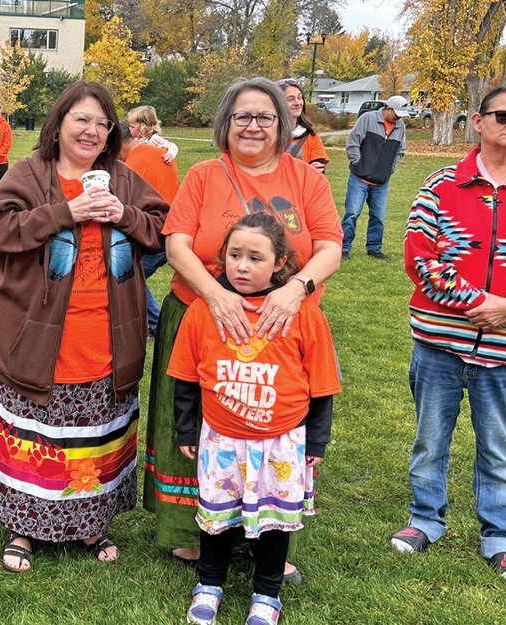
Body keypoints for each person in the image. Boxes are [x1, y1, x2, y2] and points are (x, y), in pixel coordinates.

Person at [145, 77, 342, 583]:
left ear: (284, 124)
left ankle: (267, 535)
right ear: (225, 124)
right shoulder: (205, 175)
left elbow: (329, 247)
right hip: (201, 318)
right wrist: (217, 296)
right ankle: (195, 534)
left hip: (281, 325)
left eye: (265, 117)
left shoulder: (307, 180)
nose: (253, 126)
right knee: (195, 431)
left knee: (272, 431)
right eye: (242, 117)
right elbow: (177, 246)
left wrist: (295, 288)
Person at [390, 83, 506, 590]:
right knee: (431, 439)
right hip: (440, 341)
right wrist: (475, 304)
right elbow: (419, 256)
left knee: (498, 445)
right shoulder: (440, 185)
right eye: (504, 115)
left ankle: (501, 538)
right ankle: (425, 519)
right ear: (478, 121)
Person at [0, 80, 168, 573]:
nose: (91, 131)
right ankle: (22, 524)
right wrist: (65, 212)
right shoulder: (29, 173)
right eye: (81, 119)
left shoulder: (123, 179)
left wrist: (124, 214)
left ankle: (90, 522)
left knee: (96, 430)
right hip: (36, 333)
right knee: (33, 432)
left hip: (106, 333)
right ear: (59, 123)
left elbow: (160, 231)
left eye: (102, 124)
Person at [174, 213, 340, 625]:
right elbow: (186, 378)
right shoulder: (202, 311)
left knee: (275, 526)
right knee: (216, 520)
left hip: (281, 442)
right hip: (221, 440)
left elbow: (321, 384)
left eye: (255, 257)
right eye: (234, 255)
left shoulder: (302, 314)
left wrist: (316, 440)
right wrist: (185, 426)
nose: (242, 266)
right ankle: (209, 584)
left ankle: (267, 594)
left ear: (280, 262)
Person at [120, 122, 179, 336]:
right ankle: (154, 324)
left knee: (126, 275)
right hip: (172, 229)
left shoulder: (131, 165)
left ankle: (156, 324)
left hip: (154, 235)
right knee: (132, 276)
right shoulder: (161, 152)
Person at [342, 94, 407, 260]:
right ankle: (343, 248)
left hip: (381, 181)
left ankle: (374, 249)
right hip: (359, 178)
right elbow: (353, 142)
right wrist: (357, 163)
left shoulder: (400, 127)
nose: (398, 118)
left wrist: (389, 169)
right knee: (352, 213)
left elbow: (401, 150)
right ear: (388, 109)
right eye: (396, 114)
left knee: (378, 217)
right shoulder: (368, 119)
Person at [278, 80, 328, 174]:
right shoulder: (268, 136)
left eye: (299, 98)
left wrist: (316, 170)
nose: (297, 103)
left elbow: (318, 171)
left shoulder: (312, 137)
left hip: (301, 187)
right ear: (278, 104)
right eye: (290, 99)